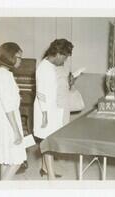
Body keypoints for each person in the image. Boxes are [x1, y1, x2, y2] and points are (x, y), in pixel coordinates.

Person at [33, 38, 74, 180]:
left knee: (49, 139)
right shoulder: (43, 68)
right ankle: (51, 176)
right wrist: (44, 113)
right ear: (58, 54)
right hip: (44, 109)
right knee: (47, 141)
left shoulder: (51, 66)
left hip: (51, 108)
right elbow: (41, 93)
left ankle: (45, 168)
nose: (65, 60)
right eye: (65, 57)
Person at [0, 42, 27, 180]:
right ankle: (1, 190)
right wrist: (17, 131)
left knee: (6, 158)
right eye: (19, 57)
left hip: (0, 122)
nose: (21, 60)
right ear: (11, 57)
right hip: (9, 123)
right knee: (17, 160)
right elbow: (8, 107)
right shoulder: (6, 77)